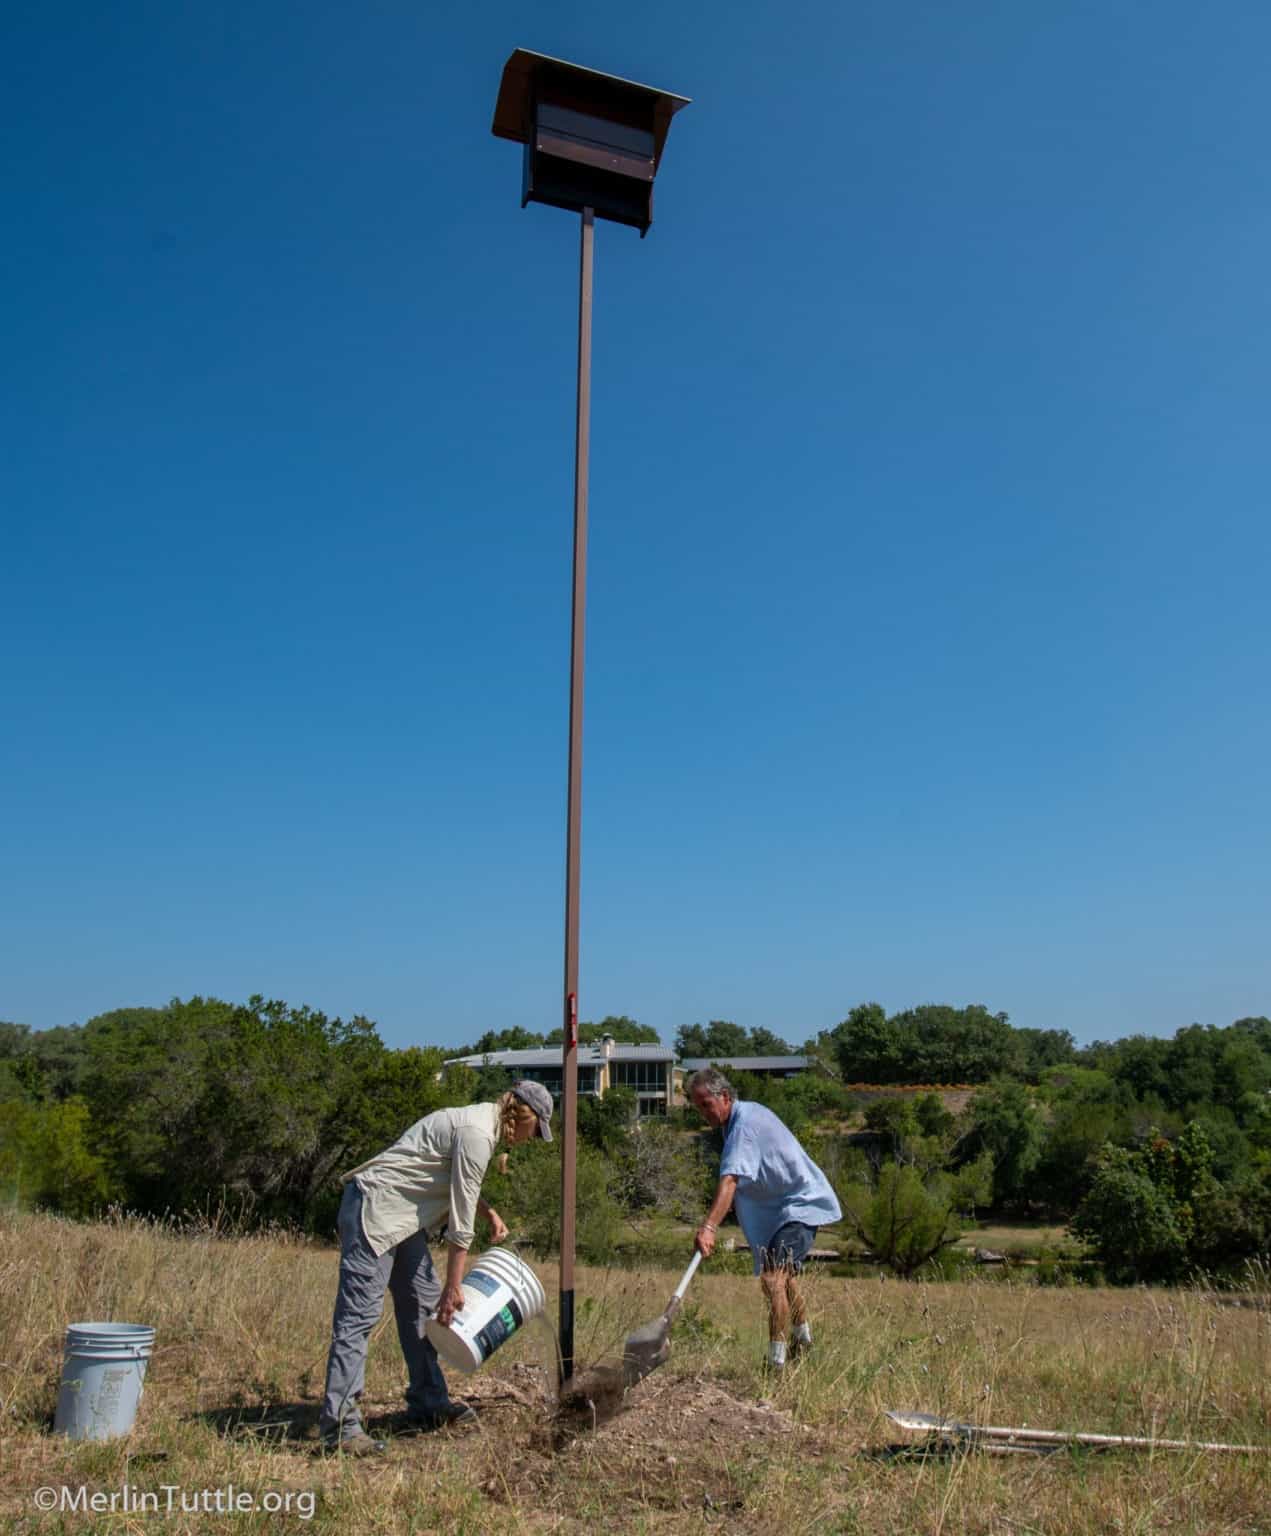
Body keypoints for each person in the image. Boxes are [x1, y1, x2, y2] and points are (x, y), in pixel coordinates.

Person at [319, 1080, 554, 1453]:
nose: (531, 1139)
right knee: (358, 1319)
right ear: (525, 1115)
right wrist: (454, 1285)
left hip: (402, 1219)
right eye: (535, 1130)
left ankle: (429, 1403)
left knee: (421, 1307)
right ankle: (340, 1429)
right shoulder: (478, 1133)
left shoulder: (481, 1125)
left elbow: (460, 1184)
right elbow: (460, 1224)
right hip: (376, 1211)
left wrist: (490, 1211)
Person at [689, 1067, 841, 1371]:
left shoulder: (743, 1125)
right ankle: (804, 1342)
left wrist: (709, 1227)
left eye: (706, 1104)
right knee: (783, 1280)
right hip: (783, 1210)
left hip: (800, 1205)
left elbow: (730, 1178)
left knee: (773, 1279)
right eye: (698, 1106)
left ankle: (776, 1365)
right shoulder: (735, 1122)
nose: (703, 1113)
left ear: (725, 1097)